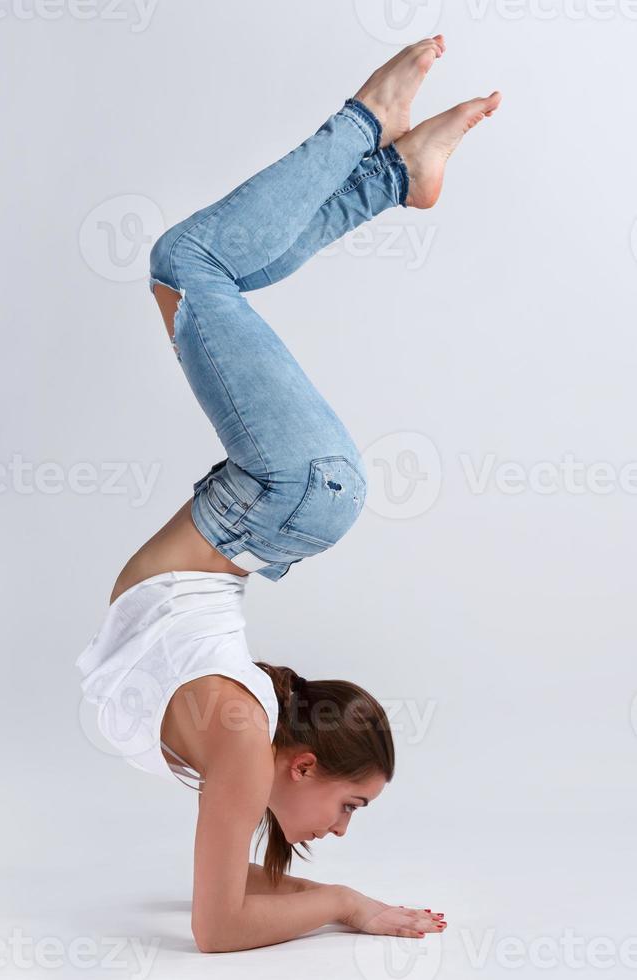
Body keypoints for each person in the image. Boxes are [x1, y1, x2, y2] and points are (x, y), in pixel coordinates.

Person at [76, 36, 501, 952]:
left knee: (193, 267)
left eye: (352, 815)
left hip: (280, 498)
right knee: (185, 264)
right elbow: (222, 922)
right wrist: (345, 900)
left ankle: (393, 169)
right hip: (289, 491)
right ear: (303, 763)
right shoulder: (238, 730)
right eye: (349, 805)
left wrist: (336, 897)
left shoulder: (235, 737)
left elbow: (221, 912)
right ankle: (371, 138)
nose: (339, 831)